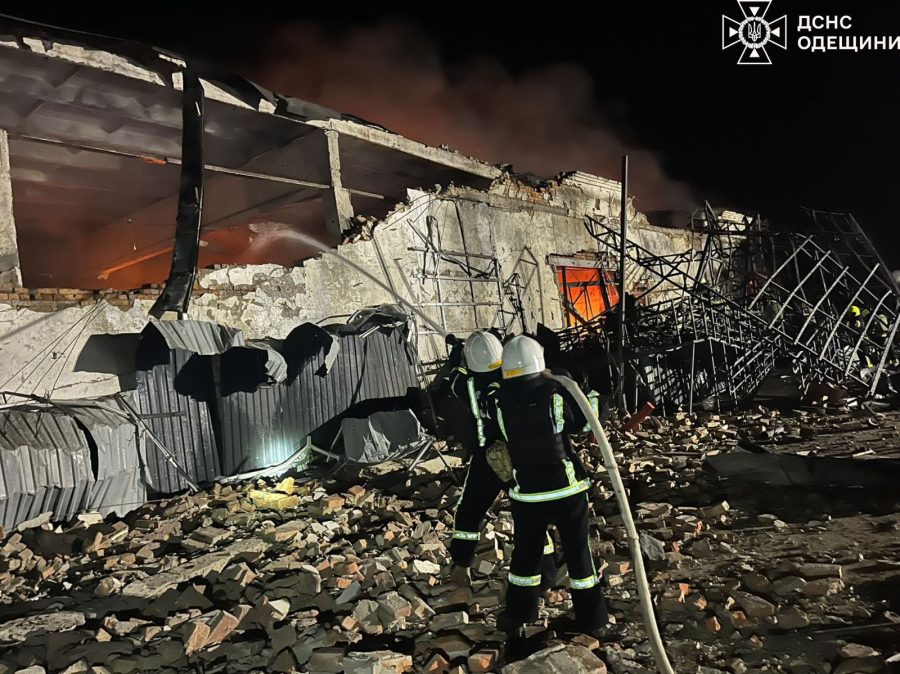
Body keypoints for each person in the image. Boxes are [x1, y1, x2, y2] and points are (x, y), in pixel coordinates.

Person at [494, 335, 614, 638]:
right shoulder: (555, 394)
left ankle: (517, 616)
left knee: (525, 555)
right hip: (565, 489)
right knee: (578, 554)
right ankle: (593, 621)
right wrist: (588, 388)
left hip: (527, 493)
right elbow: (588, 420)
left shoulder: (499, 401)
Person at [446, 331, 556, 584]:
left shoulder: (466, 385)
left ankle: (461, 564)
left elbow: (454, 376)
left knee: (469, 511)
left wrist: (457, 354)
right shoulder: (512, 380)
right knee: (530, 515)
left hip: (487, 459)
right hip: (517, 457)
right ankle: (547, 574)